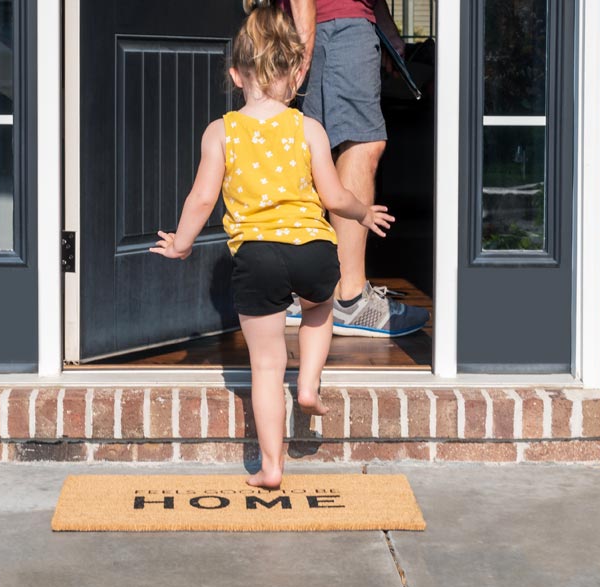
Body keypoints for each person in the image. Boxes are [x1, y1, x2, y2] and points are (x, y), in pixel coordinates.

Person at [150, 0, 394, 489]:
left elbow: (201, 198)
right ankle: (308, 385)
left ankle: (271, 466)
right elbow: (334, 195)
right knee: (319, 312)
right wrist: (363, 213)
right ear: (295, 75)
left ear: (237, 75)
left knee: (265, 365)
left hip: (258, 256)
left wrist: (181, 242)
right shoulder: (310, 129)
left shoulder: (221, 132)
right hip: (314, 249)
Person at [285, 0, 431, 337]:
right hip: (336, 24)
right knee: (360, 144)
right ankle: (349, 299)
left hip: (336, 23)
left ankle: (304, 292)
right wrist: (306, 46)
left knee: (315, 145)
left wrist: (387, 31)